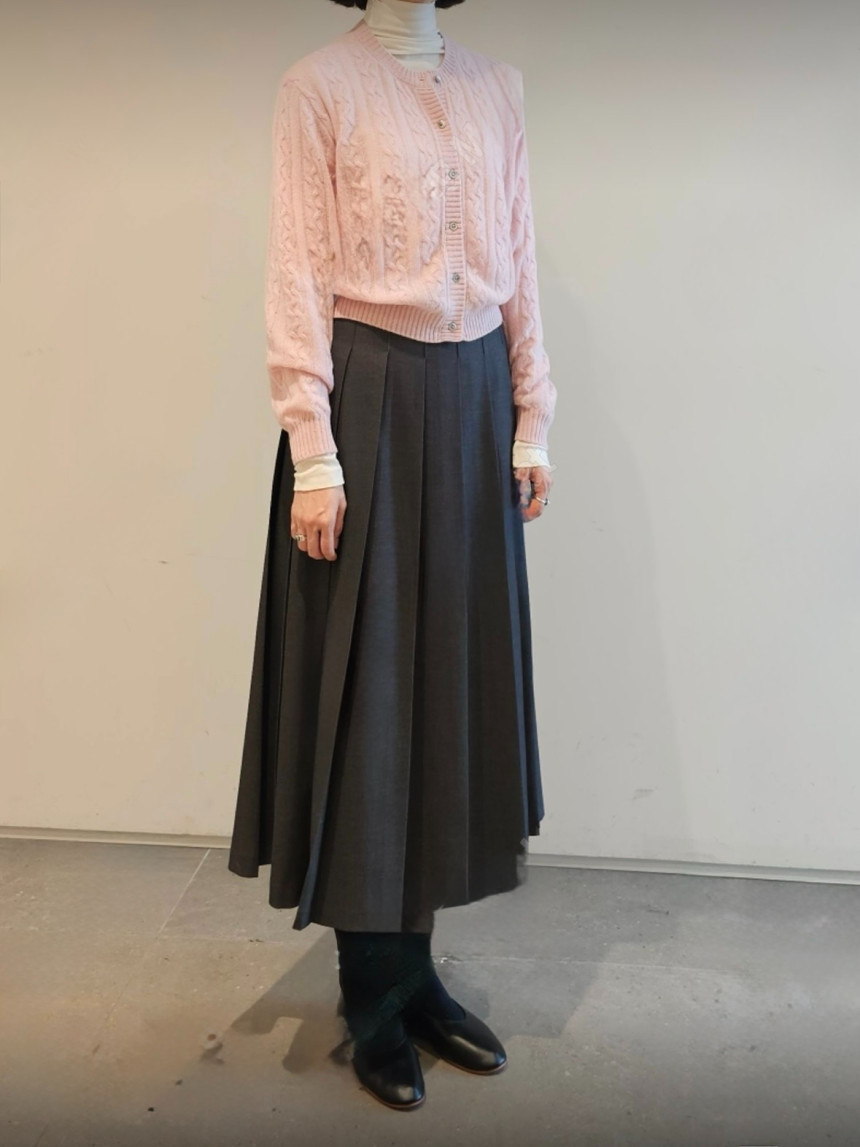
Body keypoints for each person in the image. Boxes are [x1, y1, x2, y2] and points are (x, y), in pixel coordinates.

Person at [227, 0, 558, 1111]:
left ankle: (417, 976)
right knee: (368, 697)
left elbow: (518, 246)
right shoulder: (318, 86)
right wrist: (313, 451)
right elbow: (297, 266)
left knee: (444, 694)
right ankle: (371, 989)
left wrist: (532, 413)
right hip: (367, 396)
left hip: (473, 397)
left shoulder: (496, 86)